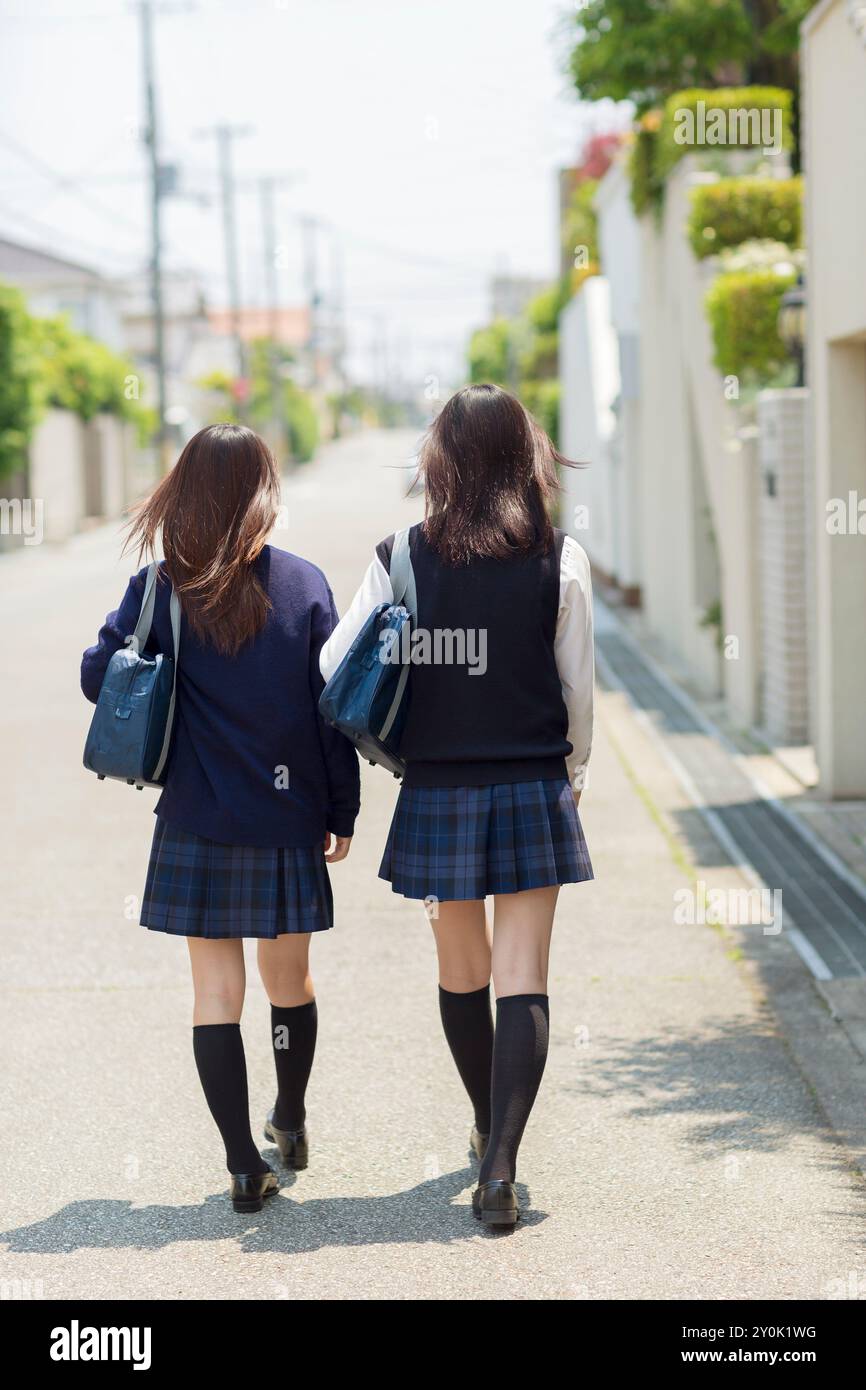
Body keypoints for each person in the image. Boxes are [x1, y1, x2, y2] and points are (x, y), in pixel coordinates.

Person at [321, 384, 594, 1228]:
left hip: (437, 788)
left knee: (461, 974)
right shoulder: (559, 556)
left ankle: (485, 1125)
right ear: (527, 457)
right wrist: (570, 775)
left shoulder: (401, 554)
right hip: (530, 786)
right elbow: (577, 688)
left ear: (441, 459)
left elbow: (337, 662)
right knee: (525, 979)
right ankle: (502, 1166)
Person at [81, 424, 359, 1214]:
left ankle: (243, 1164)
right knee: (289, 982)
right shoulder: (304, 585)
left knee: (214, 994)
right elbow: (330, 714)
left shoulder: (160, 588)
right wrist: (342, 808)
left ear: (185, 492)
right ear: (261, 490)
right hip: (288, 815)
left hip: (197, 820)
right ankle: (291, 1117)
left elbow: (97, 676)